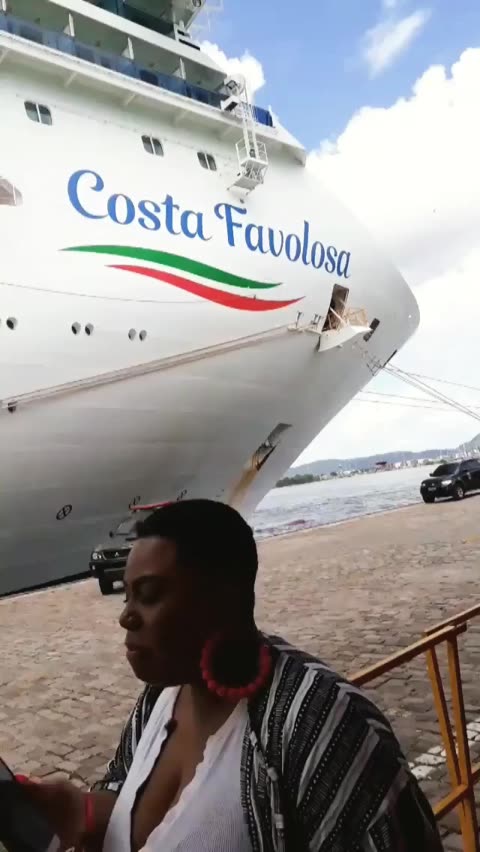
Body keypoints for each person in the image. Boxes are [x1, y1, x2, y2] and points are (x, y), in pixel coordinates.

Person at [21, 499, 443, 851]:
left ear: (222, 600)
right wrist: (80, 810)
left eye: (149, 595)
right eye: (127, 596)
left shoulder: (321, 722)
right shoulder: (160, 697)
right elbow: (127, 802)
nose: (126, 617)